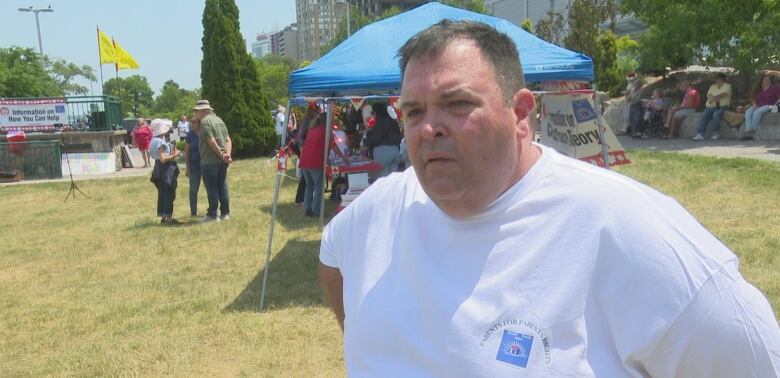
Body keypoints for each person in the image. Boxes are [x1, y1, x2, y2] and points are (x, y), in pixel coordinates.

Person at [318, 20, 780, 376]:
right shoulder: (381, 207)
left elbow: (753, 357)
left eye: (457, 104)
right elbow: (332, 255)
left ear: (520, 114)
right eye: (413, 112)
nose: (428, 128)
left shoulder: (627, 229)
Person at [193, 100, 232, 222]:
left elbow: (211, 141)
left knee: (212, 188)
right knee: (222, 186)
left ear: (203, 111)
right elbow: (228, 140)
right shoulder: (219, 120)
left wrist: (221, 155)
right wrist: (227, 154)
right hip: (223, 161)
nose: (195, 113)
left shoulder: (205, 122)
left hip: (209, 161)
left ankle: (212, 215)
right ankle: (225, 213)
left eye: (197, 111)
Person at [149, 122, 180, 225]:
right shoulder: (160, 141)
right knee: (168, 193)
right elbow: (163, 159)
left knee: (162, 193)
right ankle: (169, 218)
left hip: (158, 168)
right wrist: (175, 155)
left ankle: (163, 217)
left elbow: (159, 157)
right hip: (165, 169)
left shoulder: (153, 140)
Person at [298, 112, 327, 217]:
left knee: (309, 186)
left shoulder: (311, 129)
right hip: (315, 162)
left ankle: (307, 209)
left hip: (304, 161)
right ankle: (316, 211)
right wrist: (345, 159)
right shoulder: (325, 130)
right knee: (319, 186)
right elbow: (333, 146)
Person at [366, 102, 402, 178]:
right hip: (395, 151)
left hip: (382, 152)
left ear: (376, 112)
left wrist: (369, 133)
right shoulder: (393, 121)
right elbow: (399, 136)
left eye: (373, 112)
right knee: (394, 180)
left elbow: (374, 139)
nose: (373, 114)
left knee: (382, 181)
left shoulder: (379, 122)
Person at [693, 73, 732, 141]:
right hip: (710, 106)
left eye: (717, 79)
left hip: (721, 106)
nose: (716, 80)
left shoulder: (727, 86)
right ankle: (700, 134)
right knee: (704, 115)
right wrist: (712, 98)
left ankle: (715, 133)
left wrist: (713, 98)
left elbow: (724, 94)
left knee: (716, 115)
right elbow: (708, 95)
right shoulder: (713, 86)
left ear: (722, 79)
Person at [742, 74, 780, 140]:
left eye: (768, 79)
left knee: (757, 112)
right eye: (765, 79)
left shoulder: (775, 88)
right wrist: (754, 105)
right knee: (748, 111)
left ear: (770, 81)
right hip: (758, 105)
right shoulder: (759, 89)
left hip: (769, 105)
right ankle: (748, 128)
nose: (766, 81)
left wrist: (775, 104)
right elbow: (753, 99)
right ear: (762, 80)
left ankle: (753, 130)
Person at [184, 117, 201, 217]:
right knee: (193, 190)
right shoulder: (190, 134)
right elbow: (186, 152)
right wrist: (187, 167)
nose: (192, 124)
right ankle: (193, 212)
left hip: (206, 164)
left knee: (211, 189)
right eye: (191, 122)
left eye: (194, 122)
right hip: (194, 166)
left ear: (199, 123)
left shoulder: (205, 132)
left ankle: (212, 211)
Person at [623, 72, 644, 137]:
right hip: (632, 104)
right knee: (631, 119)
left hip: (636, 105)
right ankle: (633, 131)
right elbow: (629, 95)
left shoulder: (639, 90)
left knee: (636, 119)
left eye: (636, 84)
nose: (635, 84)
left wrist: (629, 97)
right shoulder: (632, 88)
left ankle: (636, 132)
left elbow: (634, 98)